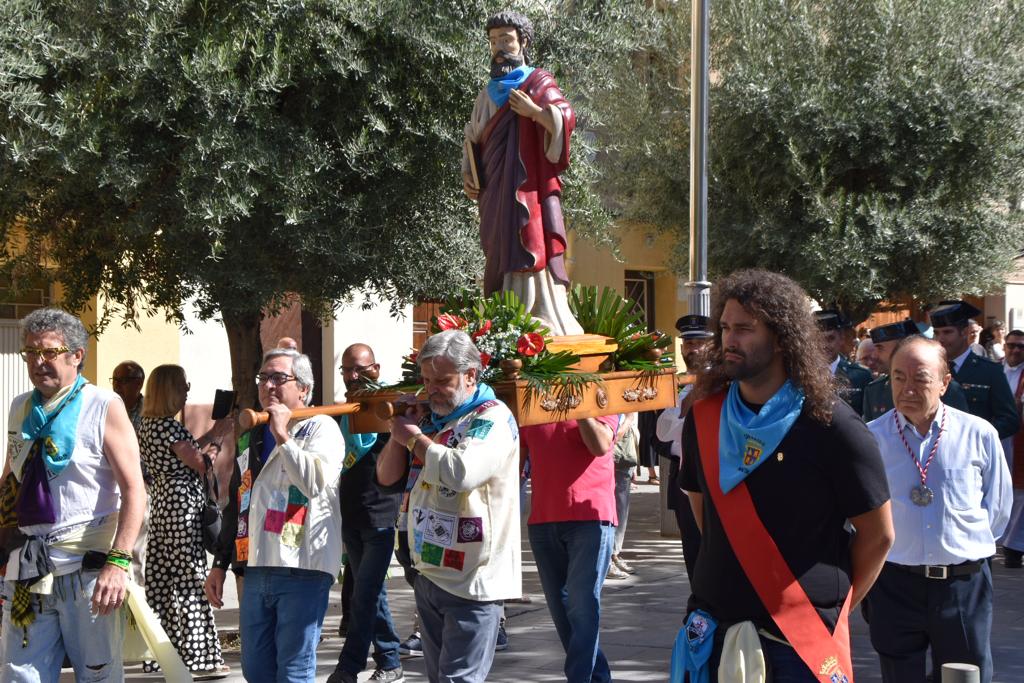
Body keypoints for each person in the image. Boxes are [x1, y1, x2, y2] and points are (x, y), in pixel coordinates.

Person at [677, 270, 893, 682]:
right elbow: (705, 515)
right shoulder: (702, 418)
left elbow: (879, 534)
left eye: (744, 329)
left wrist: (831, 612)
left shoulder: (833, 425)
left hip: (800, 643)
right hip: (715, 629)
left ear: (780, 337)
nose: (729, 340)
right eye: (724, 327)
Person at [1, 308, 146, 681]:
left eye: (48, 352)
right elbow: (10, 483)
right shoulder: (20, 408)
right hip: (28, 570)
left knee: (97, 675)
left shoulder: (103, 406)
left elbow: (135, 491)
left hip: (89, 573)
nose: (37, 361)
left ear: (76, 355)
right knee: (20, 674)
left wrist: (118, 562)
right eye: (30, 352)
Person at [376, 330, 521, 683]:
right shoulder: (432, 421)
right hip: (429, 569)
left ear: (471, 375)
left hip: (473, 578)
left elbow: (461, 472)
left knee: (459, 679)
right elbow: (385, 476)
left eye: (442, 380)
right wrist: (401, 434)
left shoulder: (491, 417)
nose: (431, 389)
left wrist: (412, 436)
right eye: (426, 380)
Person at [865, 335, 1011, 683]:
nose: (907, 388)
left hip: (962, 586)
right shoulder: (872, 438)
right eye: (899, 377)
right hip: (895, 584)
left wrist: (958, 544)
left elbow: (998, 509)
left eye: (921, 378)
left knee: (966, 675)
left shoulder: (978, 434)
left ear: (945, 383)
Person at [204, 348, 344, 683]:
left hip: (302, 568)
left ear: (304, 389)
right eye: (263, 378)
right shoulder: (254, 434)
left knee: (293, 670)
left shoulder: (322, 428)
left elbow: (312, 482)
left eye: (279, 378)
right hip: (256, 567)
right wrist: (221, 564)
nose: (268, 385)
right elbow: (240, 501)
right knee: (257, 670)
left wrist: (284, 436)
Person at [461, 10, 583, 335]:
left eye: (506, 40)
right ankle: (504, 316)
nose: (499, 48)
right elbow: (474, 137)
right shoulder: (487, 94)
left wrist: (535, 112)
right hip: (495, 189)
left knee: (529, 236)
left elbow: (565, 116)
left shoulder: (538, 81)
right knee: (498, 244)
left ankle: (539, 311)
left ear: (523, 42)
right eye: (494, 41)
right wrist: (469, 173)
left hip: (529, 185)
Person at [139, 364, 229, 677]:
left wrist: (210, 434)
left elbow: (187, 448)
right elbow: (201, 462)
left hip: (162, 506)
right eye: (184, 385)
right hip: (182, 508)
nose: (188, 390)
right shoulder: (169, 426)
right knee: (191, 580)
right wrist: (220, 436)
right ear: (170, 390)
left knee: (162, 583)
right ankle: (202, 659)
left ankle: (164, 656)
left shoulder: (150, 424)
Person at [520, 408, 620, 682]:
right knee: (562, 611)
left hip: (590, 518)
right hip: (542, 519)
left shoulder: (602, 401)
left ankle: (580, 678)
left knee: (582, 606)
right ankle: (596, 676)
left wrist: (581, 409)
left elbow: (600, 445)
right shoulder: (532, 403)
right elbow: (515, 463)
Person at [327, 344, 404, 683]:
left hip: (382, 519)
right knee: (372, 593)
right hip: (351, 517)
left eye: (358, 369)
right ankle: (389, 660)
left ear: (376, 368)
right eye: (346, 370)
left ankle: (349, 666)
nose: (352, 376)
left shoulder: (392, 411)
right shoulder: (341, 413)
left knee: (364, 594)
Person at [657, 314, 713, 582]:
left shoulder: (729, 382)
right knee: (693, 553)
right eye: (688, 343)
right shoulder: (679, 386)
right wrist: (692, 396)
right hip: (685, 480)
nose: (693, 349)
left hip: (718, 480)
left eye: (700, 343)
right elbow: (663, 431)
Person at [931, 300, 1019, 440]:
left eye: (947, 332)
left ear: (965, 332)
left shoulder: (990, 371)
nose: (940, 338)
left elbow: (1009, 421)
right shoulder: (930, 369)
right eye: (936, 333)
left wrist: (975, 437)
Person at [862, 319, 968, 422]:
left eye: (880, 348)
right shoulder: (874, 390)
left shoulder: (946, 388)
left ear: (904, 348)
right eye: (899, 379)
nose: (874, 355)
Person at [815, 309, 872, 416]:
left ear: (841, 338)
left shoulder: (861, 376)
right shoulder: (801, 376)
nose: (824, 345)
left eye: (830, 338)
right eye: (818, 340)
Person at [999, 329, 1024, 568]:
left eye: (1021, 347)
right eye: (1012, 345)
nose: (1016, 350)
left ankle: (1013, 546)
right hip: (997, 435)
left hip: (1019, 438)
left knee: (1019, 493)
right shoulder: (995, 369)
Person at [607, 412, 639, 580]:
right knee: (610, 507)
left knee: (621, 506)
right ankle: (608, 558)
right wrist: (628, 419)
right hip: (610, 448)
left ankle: (614, 554)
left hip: (624, 450)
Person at [111, 361, 145, 433]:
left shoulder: (150, 411)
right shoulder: (107, 408)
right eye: (115, 380)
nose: (116, 385)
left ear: (139, 383)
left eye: (123, 380)